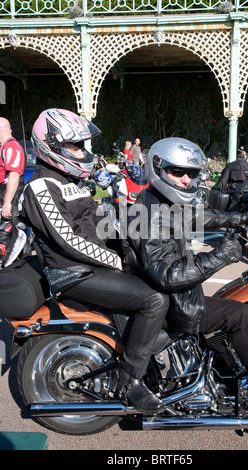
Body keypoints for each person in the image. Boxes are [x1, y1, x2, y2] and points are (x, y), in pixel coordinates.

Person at [122, 137, 248, 430]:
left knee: (238, 296)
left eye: (191, 173)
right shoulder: (146, 213)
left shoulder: (158, 200)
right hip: (168, 302)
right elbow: (167, 274)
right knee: (240, 315)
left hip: (174, 295)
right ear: (157, 168)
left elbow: (197, 216)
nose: (185, 179)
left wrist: (241, 219)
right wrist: (221, 256)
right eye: (177, 172)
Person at [18, 108, 169, 414]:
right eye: (75, 146)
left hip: (91, 266)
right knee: (153, 300)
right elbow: (67, 240)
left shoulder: (71, 182)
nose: (82, 153)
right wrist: (115, 260)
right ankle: (131, 382)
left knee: (158, 275)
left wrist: (136, 238)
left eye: (82, 146)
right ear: (52, 146)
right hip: (72, 273)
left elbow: (101, 224)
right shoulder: (40, 186)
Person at [0, 117, 26, 265]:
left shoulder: (11, 147)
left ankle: (6, 268)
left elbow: (14, 175)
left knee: (8, 237)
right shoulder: (5, 147)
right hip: (4, 194)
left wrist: (7, 203)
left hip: (9, 195)